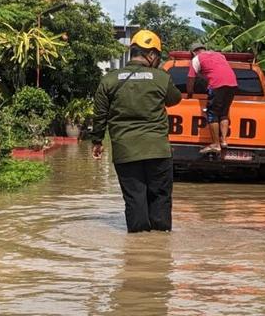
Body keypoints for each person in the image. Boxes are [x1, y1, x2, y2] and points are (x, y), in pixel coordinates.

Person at [91, 30, 183, 233]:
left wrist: (97, 141)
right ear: (151, 55)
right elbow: (175, 99)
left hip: (125, 151)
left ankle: (136, 252)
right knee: (160, 197)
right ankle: (159, 251)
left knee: (135, 198)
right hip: (157, 149)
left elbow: (99, 115)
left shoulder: (109, 80)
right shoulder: (161, 78)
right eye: (157, 57)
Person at [188, 42, 239, 155]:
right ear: (204, 49)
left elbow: (191, 78)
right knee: (224, 113)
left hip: (217, 85)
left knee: (212, 114)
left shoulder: (196, 59)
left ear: (193, 52)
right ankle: (223, 141)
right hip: (232, 84)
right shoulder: (219, 55)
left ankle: (216, 144)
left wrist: (190, 93)